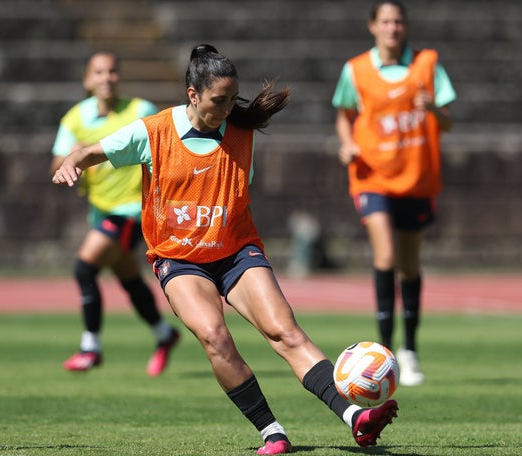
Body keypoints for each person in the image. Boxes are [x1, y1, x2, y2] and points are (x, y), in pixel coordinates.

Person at [52, 44, 398, 455]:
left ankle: (355, 418)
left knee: (285, 332)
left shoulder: (241, 131)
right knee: (216, 337)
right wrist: (71, 162)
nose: (228, 108)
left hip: (236, 252)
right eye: (219, 100)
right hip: (178, 259)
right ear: (192, 94)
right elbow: (89, 151)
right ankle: (272, 432)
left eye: (234, 100)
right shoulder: (153, 132)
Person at [331, 0, 457, 386]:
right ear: (373, 26)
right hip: (373, 177)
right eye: (385, 21)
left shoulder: (427, 64)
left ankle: (411, 349)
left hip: (416, 179)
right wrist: (347, 143)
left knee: (409, 266)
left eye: (398, 21)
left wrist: (432, 109)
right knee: (385, 255)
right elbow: (344, 114)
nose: (392, 27)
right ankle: (385, 352)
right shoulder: (355, 70)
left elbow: (448, 122)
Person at [50, 51, 180, 376]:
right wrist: (74, 153)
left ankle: (90, 347)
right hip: (101, 211)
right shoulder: (76, 118)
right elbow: (55, 165)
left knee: (84, 267)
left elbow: (170, 146)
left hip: (134, 211)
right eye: (99, 72)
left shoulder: (141, 111)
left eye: (112, 71)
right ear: (87, 80)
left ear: (119, 76)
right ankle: (164, 335)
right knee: (128, 277)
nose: (106, 77)